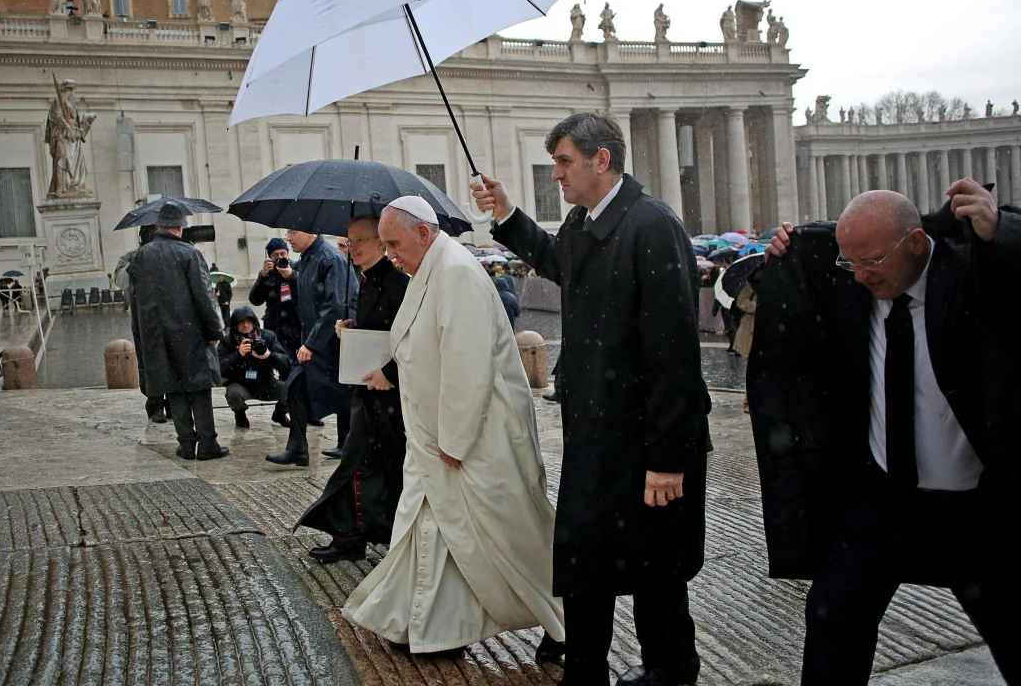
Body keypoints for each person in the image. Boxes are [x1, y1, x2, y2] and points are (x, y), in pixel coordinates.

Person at [472, 112, 711, 685]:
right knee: (583, 563)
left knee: (658, 569)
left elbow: (674, 350)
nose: (555, 174)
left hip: (645, 437)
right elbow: (558, 263)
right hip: (596, 431)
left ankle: (671, 672)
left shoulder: (653, 226)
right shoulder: (585, 222)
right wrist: (505, 213)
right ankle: (584, 671)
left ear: (601, 161)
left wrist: (667, 458)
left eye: (564, 162)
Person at [754, 183, 1019, 685]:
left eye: (872, 260)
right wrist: (787, 250)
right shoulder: (849, 286)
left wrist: (1001, 229)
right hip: (883, 500)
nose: (859, 274)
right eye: (848, 262)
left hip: (978, 505)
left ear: (917, 243)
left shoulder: (972, 275)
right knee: (833, 616)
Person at [342, 196, 565, 656]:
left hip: (471, 440)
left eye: (394, 243)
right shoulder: (429, 268)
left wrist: (455, 440)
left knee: (506, 536)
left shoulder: (457, 272)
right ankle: (433, 626)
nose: (390, 254)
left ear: (423, 233)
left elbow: (468, 365)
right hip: (432, 440)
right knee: (435, 533)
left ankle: (564, 615)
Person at [297, 215, 410, 564]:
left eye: (361, 239)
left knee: (385, 466)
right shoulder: (365, 280)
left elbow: (411, 338)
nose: (353, 246)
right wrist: (351, 328)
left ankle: (387, 537)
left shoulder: (397, 283)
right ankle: (352, 536)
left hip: (390, 396)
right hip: (369, 392)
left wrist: (390, 371)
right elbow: (379, 331)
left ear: (382, 242)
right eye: (349, 240)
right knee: (358, 463)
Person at [128, 203, 228, 461]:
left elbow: (134, 299)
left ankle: (186, 444)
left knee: (173, 387)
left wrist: (141, 335)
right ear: (180, 227)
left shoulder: (140, 256)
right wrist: (215, 329)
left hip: (155, 335)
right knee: (198, 387)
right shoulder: (189, 253)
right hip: (189, 333)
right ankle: (207, 443)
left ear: (159, 226)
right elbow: (204, 296)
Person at [265, 229, 357, 466]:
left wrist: (311, 343)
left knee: (343, 392)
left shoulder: (329, 258)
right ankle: (299, 449)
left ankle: (348, 444)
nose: (289, 238)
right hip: (316, 341)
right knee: (297, 386)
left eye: (293, 231)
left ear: (311, 231)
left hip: (330, 342)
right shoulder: (306, 259)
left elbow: (336, 306)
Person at [115, 225, 167, 423]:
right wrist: (138, 259)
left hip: (170, 316)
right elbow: (121, 281)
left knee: (173, 359)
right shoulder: (130, 256)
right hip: (144, 318)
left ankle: (174, 403)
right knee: (150, 362)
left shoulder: (168, 253)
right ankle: (155, 404)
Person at [218, 306, 290, 429]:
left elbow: (286, 362)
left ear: (254, 322)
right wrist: (237, 355)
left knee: (294, 389)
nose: (246, 325)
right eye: (241, 322)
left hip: (267, 383)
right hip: (241, 385)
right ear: (235, 325)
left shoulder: (268, 336)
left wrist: (269, 355)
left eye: (249, 321)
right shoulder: (227, 342)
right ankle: (240, 414)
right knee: (233, 394)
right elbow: (219, 368)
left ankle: (279, 414)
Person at [249, 237, 301, 360]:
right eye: (275, 255)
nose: (280, 257)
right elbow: (255, 300)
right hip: (276, 326)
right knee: (282, 362)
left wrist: (291, 275)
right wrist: (263, 276)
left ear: (287, 254)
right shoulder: (267, 274)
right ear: (270, 258)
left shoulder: (297, 268)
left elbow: (308, 289)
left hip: (297, 324)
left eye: (283, 253)